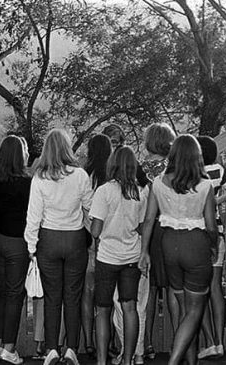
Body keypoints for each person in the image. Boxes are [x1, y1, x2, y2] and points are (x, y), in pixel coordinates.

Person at [139, 134, 217, 365]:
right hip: (196, 244)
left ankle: (191, 362)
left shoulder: (158, 183)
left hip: (168, 245)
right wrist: (212, 245)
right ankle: (174, 361)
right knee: (195, 311)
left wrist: (144, 251)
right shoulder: (205, 186)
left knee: (184, 309)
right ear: (196, 157)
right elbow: (211, 226)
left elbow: (149, 219)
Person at [24, 129, 93, 365]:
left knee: (52, 297)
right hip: (75, 240)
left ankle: (52, 348)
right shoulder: (81, 175)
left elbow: (33, 216)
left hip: (49, 240)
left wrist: (31, 246)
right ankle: (72, 349)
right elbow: (89, 208)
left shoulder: (40, 178)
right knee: (72, 297)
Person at [90, 146, 149, 365]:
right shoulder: (141, 192)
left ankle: (102, 360)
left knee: (103, 310)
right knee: (129, 307)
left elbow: (95, 230)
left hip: (107, 257)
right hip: (131, 256)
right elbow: (143, 227)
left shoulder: (104, 191)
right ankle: (128, 359)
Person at [196, 136, 226, 360]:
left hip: (194, 236)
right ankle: (220, 341)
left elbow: (192, 204)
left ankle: (209, 342)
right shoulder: (217, 171)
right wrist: (222, 197)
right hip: (217, 234)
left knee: (197, 289)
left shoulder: (188, 172)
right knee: (215, 287)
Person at [0, 136, 32, 365]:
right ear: (20, 154)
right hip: (17, 241)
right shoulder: (27, 182)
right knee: (16, 293)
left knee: (2, 290)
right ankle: (9, 347)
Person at [140, 122, 178, 360]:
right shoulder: (174, 167)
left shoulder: (140, 167)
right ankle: (178, 341)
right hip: (172, 227)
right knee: (174, 287)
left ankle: (146, 343)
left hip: (149, 229)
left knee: (150, 289)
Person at [81, 134, 113, 359]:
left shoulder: (84, 175)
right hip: (109, 237)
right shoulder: (112, 174)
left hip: (86, 235)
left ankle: (89, 342)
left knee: (87, 292)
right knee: (107, 295)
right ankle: (107, 341)